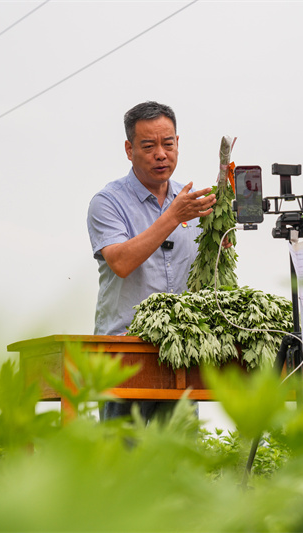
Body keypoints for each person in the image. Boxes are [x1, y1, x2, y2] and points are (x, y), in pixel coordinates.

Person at [86, 101, 216, 422]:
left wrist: (221, 241)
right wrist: (172, 217)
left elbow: (206, 277)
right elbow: (121, 261)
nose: (161, 154)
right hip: (124, 352)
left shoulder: (189, 204)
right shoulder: (108, 202)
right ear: (129, 150)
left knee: (178, 463)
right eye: (149, 145)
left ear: (177, 144)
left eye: (168, 144)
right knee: (121, 463)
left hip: (179, 353)